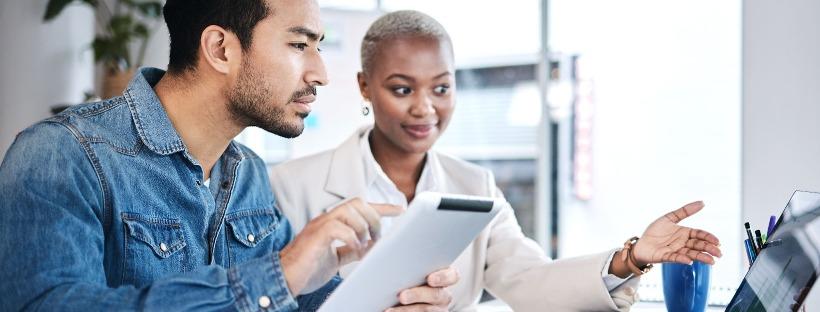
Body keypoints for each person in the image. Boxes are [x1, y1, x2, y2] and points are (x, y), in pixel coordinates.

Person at [0, 1, 457, 311]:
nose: (319, 73)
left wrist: (386, 299)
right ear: (220, 48)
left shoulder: (248, 174)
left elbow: (291, 298)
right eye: (300, 45)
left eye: (318, 47)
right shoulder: (62, 156)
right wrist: (280, 273)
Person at [270, 10, 723, 312]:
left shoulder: (474, 185)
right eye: (402, 89)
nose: (425, 108)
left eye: (442, 88)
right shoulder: (290, 186)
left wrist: (633, 257)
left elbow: (530, 280)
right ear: (365, 87)